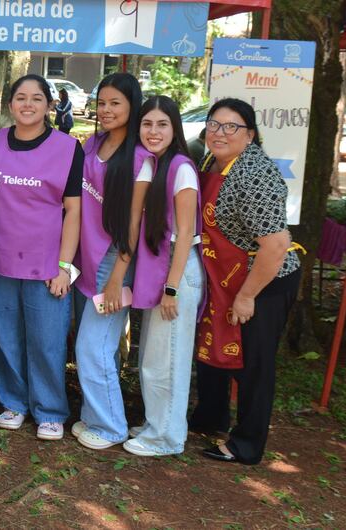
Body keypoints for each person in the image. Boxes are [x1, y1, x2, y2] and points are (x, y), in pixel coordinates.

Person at [189, 98, 302, 465]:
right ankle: (211, 416)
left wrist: (248, 296)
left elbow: (276, 245)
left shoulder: (255, 175)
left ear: (250, 135)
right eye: (214, 124)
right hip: (224, 274)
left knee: (253, 363)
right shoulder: (212, 161)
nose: (220, 133)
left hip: (264, 280)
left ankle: (247, 444)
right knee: (212, 345)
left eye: (231, 126)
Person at [0, 74, 82, 441]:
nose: (28, 104)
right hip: (3, 260)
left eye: (37, 98)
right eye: (21, 97)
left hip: (47, 265)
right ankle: (14, 402)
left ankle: (50, 410)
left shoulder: (67, 148)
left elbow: (73, 211)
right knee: (7, 337)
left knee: (47, 340)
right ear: (10, 104)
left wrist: (64, 266)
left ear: (49, 105)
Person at [71, 73, 154, 450]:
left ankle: (110, 427)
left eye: (114, 103)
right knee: (91, 343)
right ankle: (93, 416)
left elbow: (133, 226)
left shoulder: (139, 158)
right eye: (101, 102)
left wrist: (117, 276)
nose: (105, 110)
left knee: (95, 344)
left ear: (132, 106)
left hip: (114, 260)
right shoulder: (93, 143)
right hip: (85, 257)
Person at [125, 96, 204, 457]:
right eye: (147, 124)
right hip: (160, 265)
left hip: (177, 268)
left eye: (161, 125)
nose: (153, 132)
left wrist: (171, 288)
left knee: (168, 358)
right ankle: (157, 425)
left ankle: (168, 438)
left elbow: (186, 233)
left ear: (175, 129)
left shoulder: (181, 168)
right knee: (152, 358)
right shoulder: (153, 164)